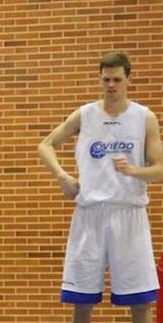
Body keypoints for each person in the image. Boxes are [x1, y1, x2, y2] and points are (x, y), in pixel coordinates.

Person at [38, 51, 163, 323]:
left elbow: (160, 170)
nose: (111, 85)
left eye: (117, 79)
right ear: (100, 79)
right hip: (89, 215)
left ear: (128, 79)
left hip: (129, 215)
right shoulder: (85, 115)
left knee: (141, 303)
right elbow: (45, 145)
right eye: (106, 79)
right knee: (81, 305)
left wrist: (134, 171)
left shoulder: (144, 117)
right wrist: (62, 176)